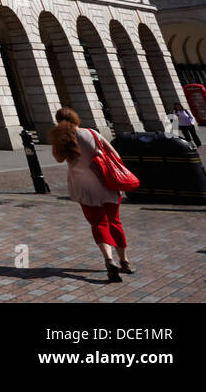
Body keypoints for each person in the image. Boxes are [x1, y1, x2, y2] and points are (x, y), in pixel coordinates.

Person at [48, 107, 133, 283]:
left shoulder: (62, 139)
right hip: (105, 182)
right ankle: (124, 261)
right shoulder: (92, 133)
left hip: (83, 187)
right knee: (114, 221)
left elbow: (58, 159)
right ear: (75, 118)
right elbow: (116, 155)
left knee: (98, 223)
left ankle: (109, 260)